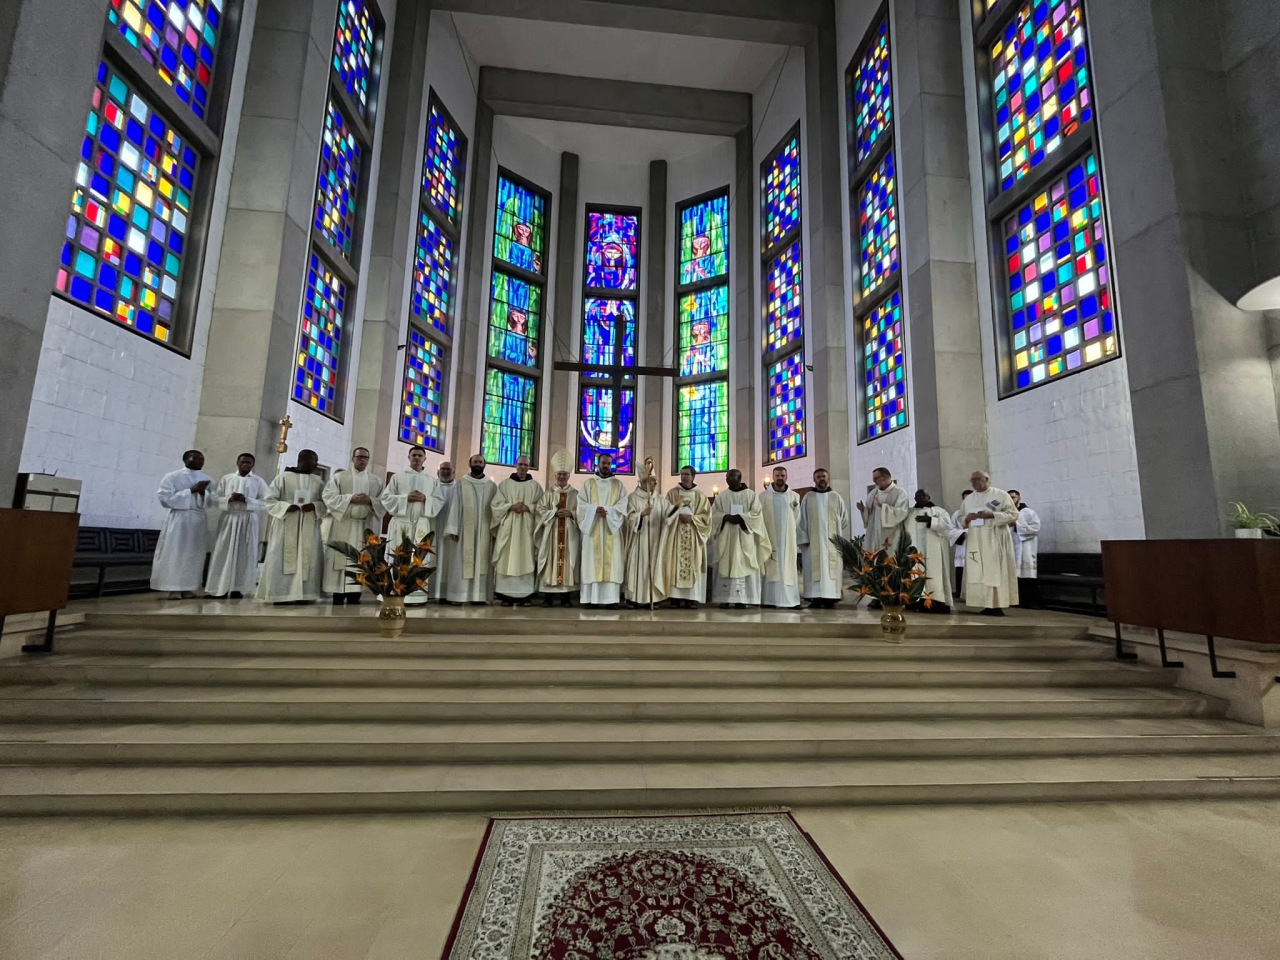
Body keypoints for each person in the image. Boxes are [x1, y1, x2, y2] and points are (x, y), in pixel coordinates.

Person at [257, 449, 327, 604]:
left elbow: (325, 503)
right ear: (302, 460)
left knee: (308, 558)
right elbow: (269, 499)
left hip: (309, 524)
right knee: (282, 557)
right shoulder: (283, 478)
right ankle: (280, 595)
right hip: (286, 523)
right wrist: (286, 507)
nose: (315, 464)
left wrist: (315, 506)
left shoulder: (318, 481)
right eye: (313, 461)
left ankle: (306, 594)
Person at [380, 445, 446, 605]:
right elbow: (386, 498)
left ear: (425, 458)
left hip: (421, 525)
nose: (416, 458)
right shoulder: (398, 477)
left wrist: (426, 499)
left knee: (419, 559)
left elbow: (439, 500)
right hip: (401, 524)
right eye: (414, 455)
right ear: (409, 457)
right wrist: (406, 498)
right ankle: (394, 593)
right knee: (397, 557)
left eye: (419, 455)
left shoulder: (432, 480)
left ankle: (417, 595)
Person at [322, 447, 386, 605]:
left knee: (361, 561)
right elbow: (328, 497)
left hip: (364, 525)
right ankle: (338, 594)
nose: (362, 460)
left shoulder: (376, 481)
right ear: (353, 458)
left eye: (365, 457)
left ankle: (355, 594)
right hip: (343, 523)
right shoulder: (339, 477)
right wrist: (350, 498)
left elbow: (384, 502)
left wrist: (370, 500)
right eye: (359, 457)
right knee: (341, 558)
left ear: (368, 460)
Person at [150, 450, 213, 599]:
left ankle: (188, 587)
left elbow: (213, 500)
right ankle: (173, 588)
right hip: (179, 518)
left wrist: (204, 493)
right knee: (175, 552)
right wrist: (191, 491)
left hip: (198, 520)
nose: (200, 461)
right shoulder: (173, 477)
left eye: (202, 459)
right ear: (186, 460)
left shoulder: (207, 479)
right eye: (196, 459)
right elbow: (165, 498)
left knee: (194, 554)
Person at [205, 452, 268, 599]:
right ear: (237, 462)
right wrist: (228, 499)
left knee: (244, 554)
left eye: (248, 463)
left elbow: (267, 502)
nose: (245, 465)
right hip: (229, 518)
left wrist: (247, 500)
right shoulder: (227, 479)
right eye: (242, 462)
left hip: (247, 519)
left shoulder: (258, 481)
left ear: (253, 465)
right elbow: (215, 498)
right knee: (222, 552)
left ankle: (238, 588)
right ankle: (218, 588)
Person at [710, 468, 772, 609]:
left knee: (745, 564)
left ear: (740, 478)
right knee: (726, 564)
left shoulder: (751, 495)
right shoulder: (722, 496)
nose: (730, 480)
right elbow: (713, 515)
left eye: (733, 477)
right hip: (726, 538)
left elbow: (757, 514)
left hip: (745, 536)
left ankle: (742, 600)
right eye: (728, 477)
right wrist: (726, 517)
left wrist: (742, 518)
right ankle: (724, 599)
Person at [961, 471, 1019, 616]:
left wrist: (992, 514)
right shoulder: (969, 499)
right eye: (972, 480)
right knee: (978, 571)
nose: (974, 482)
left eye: (977, 479)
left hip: (994, 537)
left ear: (987, 479)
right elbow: (961, 517)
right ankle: (985, 603)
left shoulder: (1001, 495)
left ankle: (997, 604)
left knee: (995, 571)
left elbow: (1014, 514)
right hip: (976, 539)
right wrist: (967, 518)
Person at [441, 454, 497, 604]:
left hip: (485, 531)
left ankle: (479, 597)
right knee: (460, 563)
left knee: (482, 562)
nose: (477, 464)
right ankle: (459, 596)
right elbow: (454, 506)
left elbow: (496, 509)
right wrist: (453, 529)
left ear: (484, 465)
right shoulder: (461, 483)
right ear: (470, 464)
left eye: (480, 462)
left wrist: (495, 530)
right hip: (464, 531)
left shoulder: (491, 486)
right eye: (475, 462)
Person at [576, 452, 629, 608]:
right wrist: (593, 510)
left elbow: (623, 505)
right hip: (593, 530)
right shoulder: (588, 484)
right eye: (603, 463)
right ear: (598, 464)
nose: (606, 466)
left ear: (611, 465)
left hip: (611, 529)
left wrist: (608, 512)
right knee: (591, 564)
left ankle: (611, 600)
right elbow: (581, 504)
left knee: (612, 564)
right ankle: (590, 599)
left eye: (608, 463)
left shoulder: (618, 485)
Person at [491, 455, 544, 606]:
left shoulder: (535, 486)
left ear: (529, 467)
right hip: (509, 527)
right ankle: (505, 595)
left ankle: (525, 596)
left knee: (526, 556)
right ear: (515, 465)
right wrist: (510, 506)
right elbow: (496, 505)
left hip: (527, 527)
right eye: (520, 464)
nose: (522, 468)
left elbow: (541, 506)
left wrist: (529, 507)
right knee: (506, 557)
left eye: (525, 465)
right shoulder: (505, 485)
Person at [657, 465, 712, 609]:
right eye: (682, 474)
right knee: (674, 563)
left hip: (693, 535)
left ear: (693, 476)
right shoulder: (672, 494)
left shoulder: (700, 496)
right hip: (676, 535)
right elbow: (665, 512)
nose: (684, 477)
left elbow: (707, 517)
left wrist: (692, 518)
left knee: (693, 564)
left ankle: (691, 599)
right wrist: (676, 515)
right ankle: (674, 598)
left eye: (687, 474)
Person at [797, 467, 849, 609]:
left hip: (832, 542)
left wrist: (836, 533)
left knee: (832, 570)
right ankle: (815, 598)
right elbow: (801, 519)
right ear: (814, 479)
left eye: (823, 476)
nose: (821, 479)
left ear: (828, 478)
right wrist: (804, 538)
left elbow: (844, 518)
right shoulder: (808, 497)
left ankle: (831, 597)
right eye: (818, 477)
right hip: (812, 543)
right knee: (814, 570)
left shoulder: (836, 496)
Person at [535, 450, 579, 606]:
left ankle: (566, 598)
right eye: (559, 474)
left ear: (569, 476)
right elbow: (539, 510)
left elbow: (582, 512)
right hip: (551, 534)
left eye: (564, 474)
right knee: (550, 561)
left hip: (569, 534)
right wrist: (554, 513)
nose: (561, 477)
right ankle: (548, 597)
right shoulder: (548, 494)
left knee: (568, 561)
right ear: (555, 475)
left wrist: (571, 513)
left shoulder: (576, 494)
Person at [623, 458, 664, 608]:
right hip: (638, 540)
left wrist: (676, 509)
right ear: (643, 482)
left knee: (652, 567)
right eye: (652, 481)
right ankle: (633, 598)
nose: (655, 484)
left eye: (655, 481)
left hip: (655, 539)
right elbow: (628, 518)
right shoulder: (632, 498)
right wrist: (640, 515)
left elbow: (668, 515)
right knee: (637, 567)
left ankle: (650, 598)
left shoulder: (659, 499)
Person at [758, 466, 800, 609]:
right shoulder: (763, 497)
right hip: (769, 538)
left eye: (782, 475)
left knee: (788, 568)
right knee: (771, 567)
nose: (780, 478)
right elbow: (758, 518)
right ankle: (769, 600)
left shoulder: (794, 496)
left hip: (788, 539)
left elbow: (797, 518)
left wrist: (789, 532)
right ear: (773, 477)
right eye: (777, 475)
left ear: (786, 477)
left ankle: (791, 600)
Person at [911, 489, 954, 612]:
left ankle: (936, 602)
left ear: (929, 497)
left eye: (924, 495)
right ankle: (918, 601)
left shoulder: (939, 511)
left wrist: (931, 521)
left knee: (934, 575)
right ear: (914, 498)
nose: (921, 497)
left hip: (934, 550)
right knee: (916, 574)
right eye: (918, 496)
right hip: (916, 549)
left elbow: (948, 527)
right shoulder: (909, 513)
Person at [856, 467, 911, 552]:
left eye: (876, 478)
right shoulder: (873, 493)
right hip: (874, 532)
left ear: (885, 477)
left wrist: (883, 507)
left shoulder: (899, 493)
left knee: (889, 556)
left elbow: (901, 513)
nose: (874, 481)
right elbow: (870, 515)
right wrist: (863, 510)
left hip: (891, 534)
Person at [429, 461, 459, 603]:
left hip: (451, 533)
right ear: (438, 471)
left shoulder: (459, 488)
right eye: (443, 469)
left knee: (449, 562)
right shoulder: (432, 486)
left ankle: (448, 593)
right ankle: (430, 592)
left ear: (454, 472)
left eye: (448, 469)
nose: (445, 472)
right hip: (433, 528)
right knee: (432, 559)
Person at [1009, 489, 1042, 608]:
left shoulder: (1028, 512)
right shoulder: (1007, 513)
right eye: (1009, 498)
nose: (1011, 500)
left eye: (1013, 497)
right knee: (1014, 576)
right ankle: (1017, 601)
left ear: (1019, 498)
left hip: (1026, 548)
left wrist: (1016, 525)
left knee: (1027, 575)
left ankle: (1032, 602)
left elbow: (1036, 528)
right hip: (1012, 547)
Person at [949, 489, 973, 598]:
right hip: (962, 544)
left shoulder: (979, 513)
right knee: (960, 567)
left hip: (975, 543)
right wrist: (962, 533)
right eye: (965, 499)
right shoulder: (957, 514)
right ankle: (959, 591)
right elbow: (950, 529)